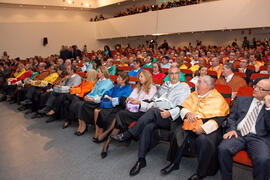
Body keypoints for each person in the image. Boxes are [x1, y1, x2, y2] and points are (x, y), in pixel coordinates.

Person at [111, 67, 191, 176]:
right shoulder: (164, 85)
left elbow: (184, 105)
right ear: (168, 74)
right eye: (171, 73)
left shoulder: (184, 87)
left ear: (179, 74)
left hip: (172, 118)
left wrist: (170, 113)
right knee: (148, 126)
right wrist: (141, 104)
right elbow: (153, 102)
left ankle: (128, 134)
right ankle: (141, 160)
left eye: (176, 73)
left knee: (153, 111)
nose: (173, 76)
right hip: (157, 113)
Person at [161, 75, 229, 180]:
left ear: (207, 85)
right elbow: (183, 107)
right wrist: (188, 114)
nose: (196, 84)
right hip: (191, 121)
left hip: (209, 126)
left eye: (199, 82)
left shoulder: (218, 99)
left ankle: (201, 172)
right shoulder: (194, 94)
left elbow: (219, 119)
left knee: (204, 140)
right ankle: (174, 162)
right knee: (178, 132)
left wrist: (203, 129)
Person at [218, 79, 270, 180]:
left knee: (263, 159)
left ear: (268, 93)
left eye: (260, 88)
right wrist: (231, 129)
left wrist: (268, 107)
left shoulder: (268, 107)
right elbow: (232, 118)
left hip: (259, 138)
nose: (255, 89)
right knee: (223, 148)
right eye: (255, 86)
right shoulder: (242, 100)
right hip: (238, 134)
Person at [100, 70, 157, 158]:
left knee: (120, 114)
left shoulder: (152, 88)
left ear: (147, 77)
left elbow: (148, 102)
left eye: (142, 76)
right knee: (120, 114)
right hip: (133, 110)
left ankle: (107, 139)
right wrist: (130, 99)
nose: (139, 78)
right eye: (139, 76)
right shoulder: (138, 87)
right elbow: (131, 96)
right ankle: (108, 141)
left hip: (143, 113)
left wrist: (138, 101)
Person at [93, 72, 132, 143]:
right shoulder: (118, 86)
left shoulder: (128, 88)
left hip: (118, 107)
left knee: (101, 112)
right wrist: (107, 96)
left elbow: (122, 100)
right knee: (97, 110)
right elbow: (109, 92)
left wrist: (112, 99)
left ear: (124, 80)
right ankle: (97, 132)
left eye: (119, 78)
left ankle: (101, 133)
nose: (117, 79)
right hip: (111, 104)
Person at [75, 66, 114, 135]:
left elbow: (102, 96)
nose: (97, 73)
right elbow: (93, 91)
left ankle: (83, 125)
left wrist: (92, 99)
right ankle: (81, 124)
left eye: (98, 72)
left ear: (103, 73)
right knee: (79, 104)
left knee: (83, 105)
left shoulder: (108, 83)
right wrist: (87, 96)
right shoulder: (99, 81)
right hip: (93, 99)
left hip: (100, 101)